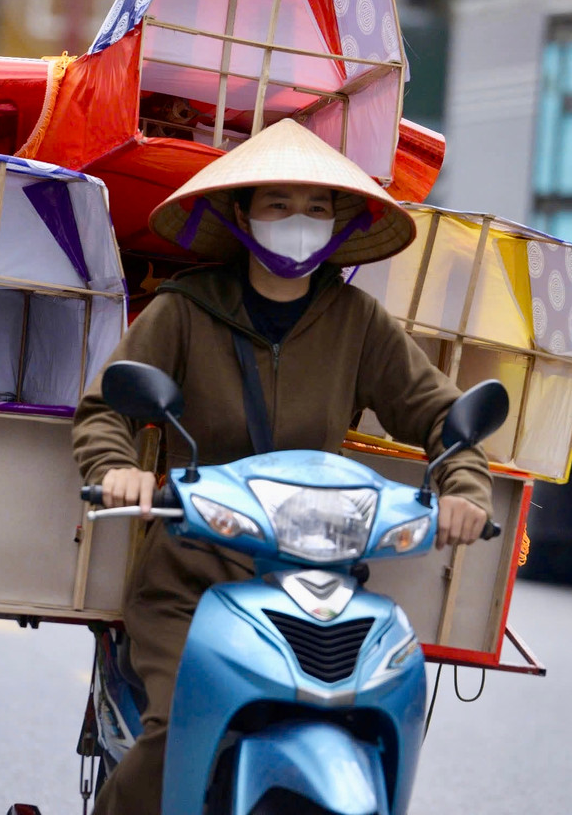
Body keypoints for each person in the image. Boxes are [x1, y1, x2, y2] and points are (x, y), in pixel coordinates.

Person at [71, 119, 494, 815]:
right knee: (180, 730)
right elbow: (104, 411)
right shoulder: (184, 310)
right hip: (193, 582)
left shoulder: (359, 321)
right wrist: (119, 468)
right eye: (277, 204)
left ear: (337, 224)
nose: (297, 222)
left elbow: (442, 419)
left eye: (317, 207)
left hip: (318, 585)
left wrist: (464, 487)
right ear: (242, 215)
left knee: (378, 715)